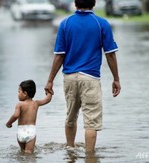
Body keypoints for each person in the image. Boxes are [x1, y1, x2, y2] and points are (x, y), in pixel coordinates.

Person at [45, 0, 121, 153]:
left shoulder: (65, 23)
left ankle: (70, 152)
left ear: (75, 3)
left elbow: (59, 56)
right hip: (90, 78)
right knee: (91, 122)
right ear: (93, 3)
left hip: (69, 77)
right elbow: (110, 55)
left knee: (71, 116)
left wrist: (50, 80)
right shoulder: (101, 23)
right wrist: (116, 79)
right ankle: (90, 156)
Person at [6, 80, 52, 154]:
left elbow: (15, 115)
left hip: (20, 131)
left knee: (22, 152)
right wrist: (49, 91)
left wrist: (9, 123)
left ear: (25, 93)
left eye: (19, 92)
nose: (18, 94)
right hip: (31, 131)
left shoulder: (20, 104)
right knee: (29, 153)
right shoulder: (36, 103)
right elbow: (47, 99)